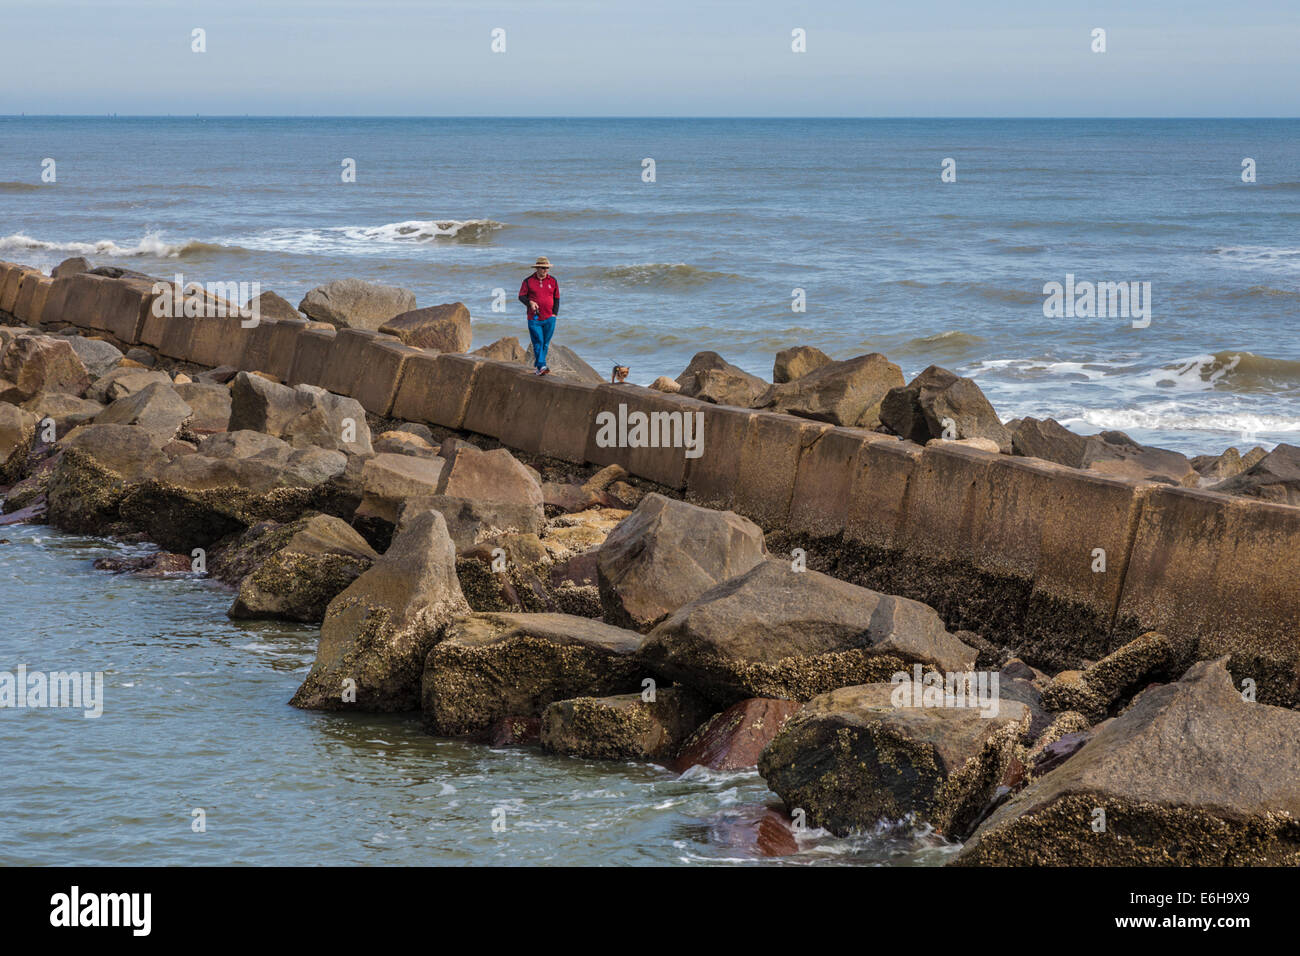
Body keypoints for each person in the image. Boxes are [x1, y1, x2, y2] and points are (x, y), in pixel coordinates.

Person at [518, 256, 559, 375]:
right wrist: (529, 302)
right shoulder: (528, 281)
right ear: (537, 268)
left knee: (545, 343)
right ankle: (542, 366)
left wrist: (554, 314)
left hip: (550, 318)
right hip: (534, 318)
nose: (545, 270)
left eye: (547, 268)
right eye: (543, 268)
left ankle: (539, 367)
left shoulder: (553, 280)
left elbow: (557, 298)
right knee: (538, 341)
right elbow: (521, 296)